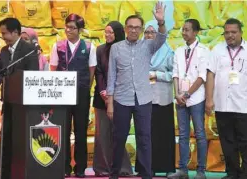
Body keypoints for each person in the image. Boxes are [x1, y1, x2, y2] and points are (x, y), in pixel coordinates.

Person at [106, 2, 167, 179]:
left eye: (137, 28)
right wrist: (110, 103)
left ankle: (146, 174)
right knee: (119, 139)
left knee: (144, 139)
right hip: (121, 99)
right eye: (131, 27)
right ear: (125, 28)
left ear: (141, 30)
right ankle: (114, 173)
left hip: (143, 99)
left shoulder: (148, 45)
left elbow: (162, 38)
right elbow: (111, 77)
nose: (134, 30)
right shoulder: (116, 48)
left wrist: (161, 22)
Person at [206, 18, 247, 179]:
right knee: (227, 141)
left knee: (245, 141)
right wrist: (209, 100)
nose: (230, 35)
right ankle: (232, 172)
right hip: (222, 105)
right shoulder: (217, 50)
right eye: (226, 32)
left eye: (233, 32)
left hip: (244, 105)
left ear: (241, 33)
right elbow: (210, 75)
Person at [50, 14, 97, 178]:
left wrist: (85, 90)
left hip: (82, 94)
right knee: (62, 131)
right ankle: (63, 166)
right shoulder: (57, 46)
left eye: (72, 28)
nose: (68, 30)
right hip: (62, 94)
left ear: (80, 30)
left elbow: (92, 72)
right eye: (67, 27)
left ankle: (80, 167)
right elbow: (53, 70)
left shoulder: (90, 47)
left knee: (81, 131)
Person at [0, 17, 39, 179]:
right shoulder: (5, 51)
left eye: (4, 33)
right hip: (8, 103)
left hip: (24, 107)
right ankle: (4, 173)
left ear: (15, 32)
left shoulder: (29, 50)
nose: (2, 37)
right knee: (6, 139)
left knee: (21, 142)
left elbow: (33, 77)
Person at [167, 19, 209, 179]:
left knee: (200, 134)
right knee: (183, 134)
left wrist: (187, 94)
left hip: (196, 98)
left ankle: (201, 170)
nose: (184, 32)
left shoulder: (204, 51)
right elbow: (175, 74)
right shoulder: (178, 50)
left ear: (196, 32)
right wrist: (177, 94)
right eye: (183, 29)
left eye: (187, 30)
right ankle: (183, 169)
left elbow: (202, 77)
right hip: (180, 99)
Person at [135, 20, 175, 176]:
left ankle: (166, 168)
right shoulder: (139, 50)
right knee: (145, 134)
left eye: (152, 32)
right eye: (146, 32)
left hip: (163, 98)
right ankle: (145, 168)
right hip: (144, 99)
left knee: (163, 134)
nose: (149, 35)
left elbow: (173, 74)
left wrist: (156, 74)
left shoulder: (168, 52)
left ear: (158, 35)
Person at [92, 21, 133, 177]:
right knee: (102, 134)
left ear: (118, 33)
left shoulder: (125, 50)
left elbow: (124, 73)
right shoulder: (100, 50)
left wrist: (113, 94)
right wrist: (104, 91)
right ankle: (102, 168)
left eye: (111, 32)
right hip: (101, 98)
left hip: (120, 97)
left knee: (119, 134)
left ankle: (122, 168)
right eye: (106, 32)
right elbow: (99, 72)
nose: (107, 35)